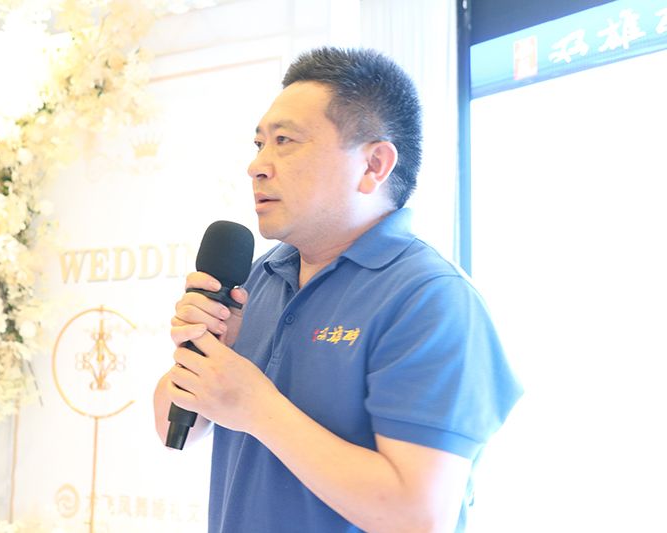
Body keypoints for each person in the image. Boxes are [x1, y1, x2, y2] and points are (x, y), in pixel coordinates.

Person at [154, 47, 522, 533]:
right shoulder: (259, 277)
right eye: (259, 143)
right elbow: (175, 427)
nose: (257, 166)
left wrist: (258, 408)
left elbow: (420, 517)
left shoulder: (431, 299)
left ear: (374, 165)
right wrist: (203, 351)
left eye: (284, 141)